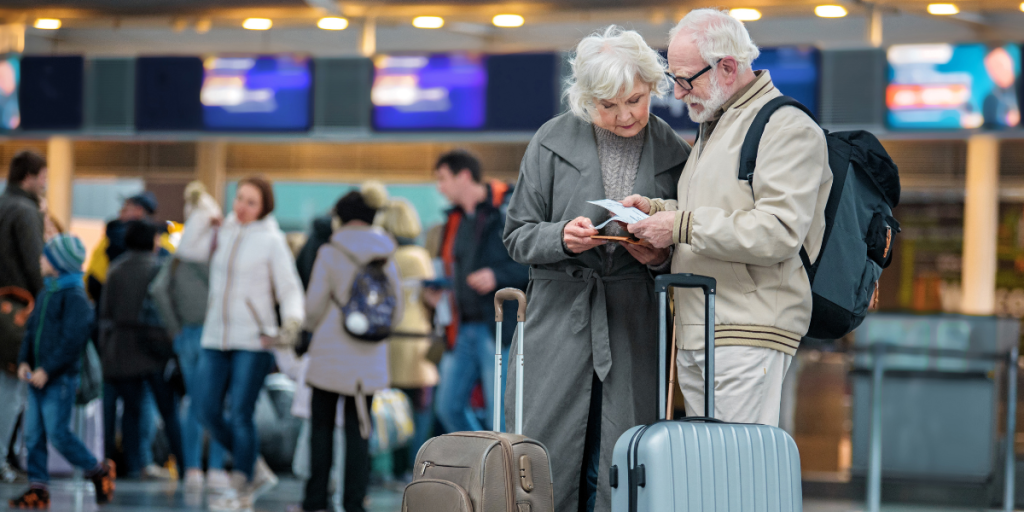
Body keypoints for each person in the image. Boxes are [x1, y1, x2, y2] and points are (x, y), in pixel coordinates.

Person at [502, 26, 689, 512]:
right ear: (585, 99)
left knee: (624, 456)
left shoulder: (675, 152)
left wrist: (658, 256)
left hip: (632, 321)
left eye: (635, 99)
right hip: (558, 318)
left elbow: (685, 238)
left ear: (653, 87)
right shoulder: (550, 141)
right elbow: (517, 234)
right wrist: (560, 237)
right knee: (545, 452)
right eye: (608, 105)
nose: (625, 115)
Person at [625, 9, 832, 427]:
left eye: (686, 79)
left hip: (748, 331)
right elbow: (719, 212)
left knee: (738, 475)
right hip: (701, 328)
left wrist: (678, 226)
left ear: (728, 66)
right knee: (714, 476)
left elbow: (778, 231)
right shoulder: (716, 125)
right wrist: (658, 216)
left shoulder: (785, 126)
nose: (679, 94)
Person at [290, 183, 403, 512]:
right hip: (367, 356)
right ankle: (355, 501)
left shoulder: (329, 252)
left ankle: (315, 499)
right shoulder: (386, 252)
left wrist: (306, 331)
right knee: (359, 431)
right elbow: (395, 310)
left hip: (328, 354)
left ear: (342, 219)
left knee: (321, 429)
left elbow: (313, 306)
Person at [198, 176, 304, 511]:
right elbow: (188, 251)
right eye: (239, 198)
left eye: (251, 202)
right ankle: (252, 464)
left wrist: (291, 322)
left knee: (241, 413)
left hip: (255, 339)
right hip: (215, 336)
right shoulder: (223, 231)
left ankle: (241, 485)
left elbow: (289, 288)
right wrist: (202, 218)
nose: (242, 206)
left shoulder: (272, 241)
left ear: (264, 208)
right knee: (206, 409)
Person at [9, 234, 116, 509]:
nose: (40, 259)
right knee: (33, 435)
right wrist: (24, 361)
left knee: (58, 434)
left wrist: (48, 369)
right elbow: (32, 330)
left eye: (46, 256)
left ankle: (97, 469)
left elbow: (73, 340)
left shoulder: (75, 297)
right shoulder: (48, 291)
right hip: (37, 377)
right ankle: (38, 488)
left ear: (59, 262)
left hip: (60, 380)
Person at [424, 150, 528, 434]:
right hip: (461, 328)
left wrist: (497, 276)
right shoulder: (454, 221)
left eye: (443, 179)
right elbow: (452, 269)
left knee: (502, 413)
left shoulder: (509, 208)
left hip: (499, 327)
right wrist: (440, 293)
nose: (440, 187)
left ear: (464, 176)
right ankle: (481, 457)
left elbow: (534, 264)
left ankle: (503, 472)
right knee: (448, 407)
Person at [149, 181, 230, 489]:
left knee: (194, 403)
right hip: (215, 334)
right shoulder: (217, 254)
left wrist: (174, 326)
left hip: (186, 334)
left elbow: (157, 289)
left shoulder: (178, 257)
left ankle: (193, 468)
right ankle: (217, 468)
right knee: (218, 402)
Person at [97, 220, 184, 480]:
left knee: (131, 412)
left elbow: (104, 313)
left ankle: (133, 466)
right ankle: (184, 464)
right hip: (154, 348)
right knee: (169, 412)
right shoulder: (159, 268)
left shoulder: (115, 269)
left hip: (121, 350)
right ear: (152, 241)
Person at [377, 197, 440, 481]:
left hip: (388, 340)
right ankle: (417, 469)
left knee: (390, 407)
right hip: (417, 338)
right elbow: (432, 301)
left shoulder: (382, 257)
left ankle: (391, 468)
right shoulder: (419, 257)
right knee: (420, 409)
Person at [0, 150, 47, 483]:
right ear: (29, 176)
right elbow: (35, 265)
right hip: (16, 310)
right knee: (12, 388)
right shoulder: (25, 210)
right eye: (43, 177)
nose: (45, 184)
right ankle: (2, 458)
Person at [85, 191, 172, 302]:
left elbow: (96, 275)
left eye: (125, 209)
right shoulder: (164, 241)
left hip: (113, 305)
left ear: (138, 210)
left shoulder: (112, 237)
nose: (120, 212)